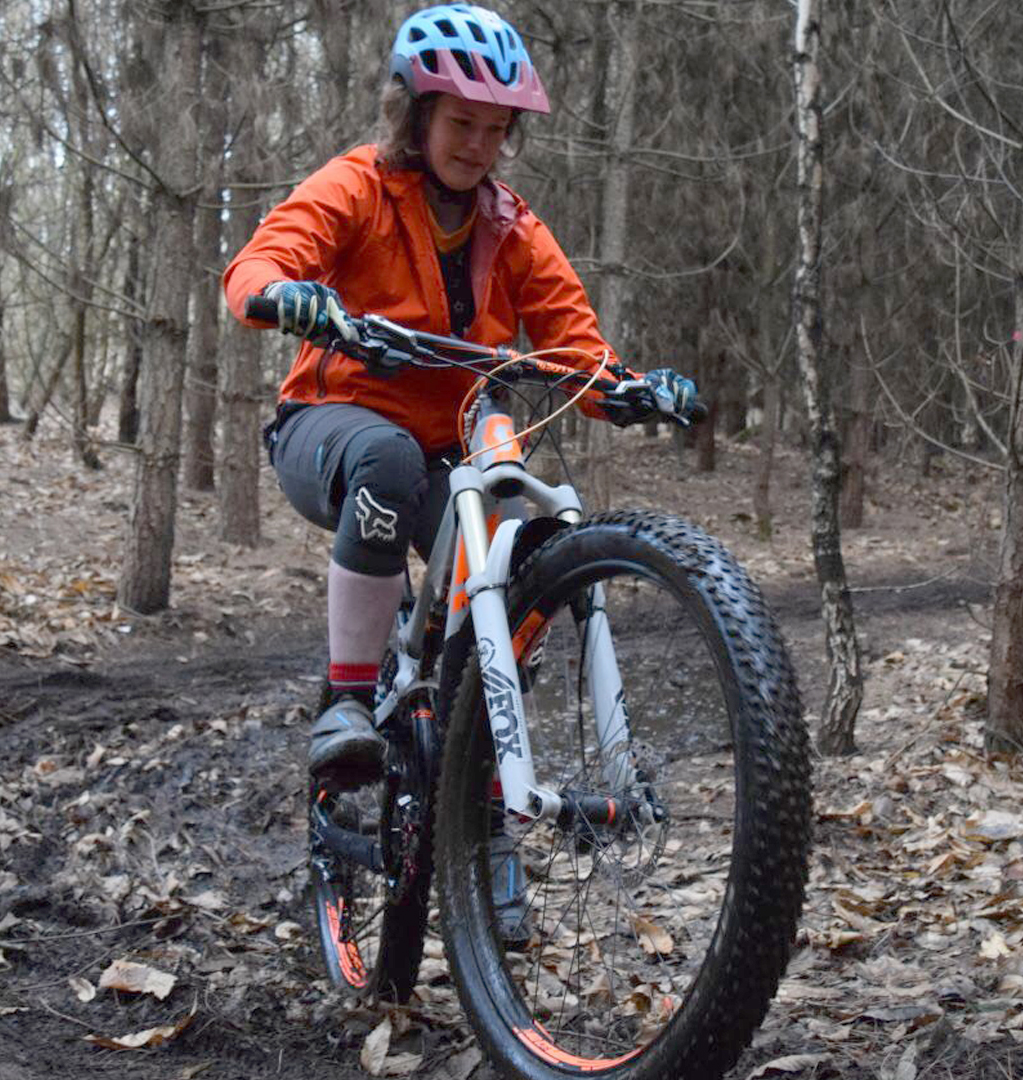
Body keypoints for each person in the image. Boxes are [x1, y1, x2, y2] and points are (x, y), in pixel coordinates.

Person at [223, 4, 696, 794]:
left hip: (450, 451)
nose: (478, 145)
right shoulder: (357, 187)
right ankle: (346, 704)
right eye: (462, 123)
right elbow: (258, 263)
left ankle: (470, 763)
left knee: (512, 545)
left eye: (495, 129)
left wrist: (629, 390)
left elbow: (574, 346)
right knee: (387, 459)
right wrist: (284, 294)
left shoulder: (513, 227)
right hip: (329, 427)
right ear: (416, 115)